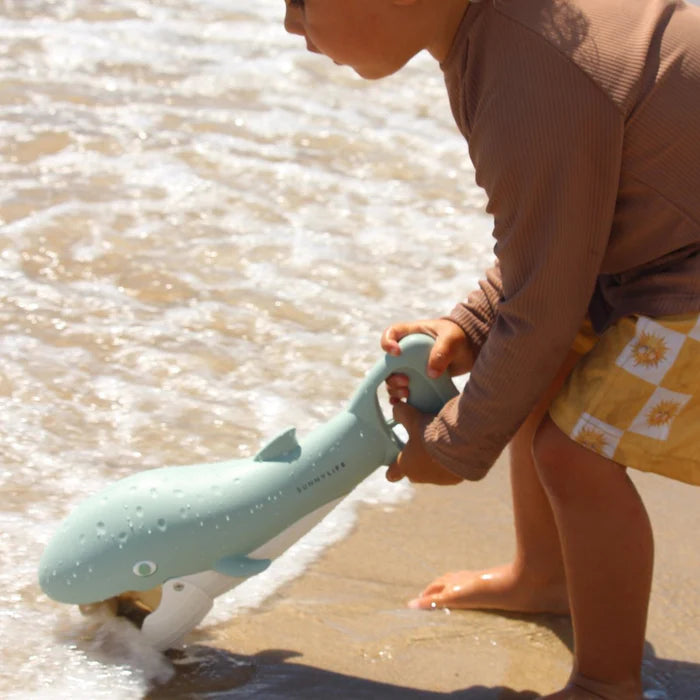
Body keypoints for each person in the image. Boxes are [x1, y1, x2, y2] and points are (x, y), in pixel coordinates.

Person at [282, 1, 700, 698]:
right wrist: (477, 321)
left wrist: (452, 445)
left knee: (575, 452)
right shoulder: (505, 36)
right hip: (668, 245)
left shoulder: (529, 77)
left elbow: (543, 304)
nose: (291, 26)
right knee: (548, 362)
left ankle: (606, 683)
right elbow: (561, 232)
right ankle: (546, 575)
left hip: (686, 269)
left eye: (301, 1)